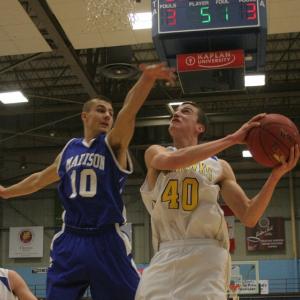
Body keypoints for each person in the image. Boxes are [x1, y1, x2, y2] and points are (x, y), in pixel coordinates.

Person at [0, 63, 176, 300]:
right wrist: (7, 192)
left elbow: (129, 110)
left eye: (110, 113)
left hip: (107, 238)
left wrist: (146, 79)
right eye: (101, 110)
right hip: (71, 238)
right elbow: (40, 179)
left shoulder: (114, 144)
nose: (107, 116)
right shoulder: (69, 149)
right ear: (85, 115)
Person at [135, 102, 299, 300]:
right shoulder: (156, 152)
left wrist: (275, 176)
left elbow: (249, 215)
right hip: (165, 252)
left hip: (207, 254)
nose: (177, 113)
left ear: (200, 127)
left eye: (185, 111)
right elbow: (172, 162)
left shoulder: (219, 166)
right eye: (176, 111)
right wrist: (232, 139)